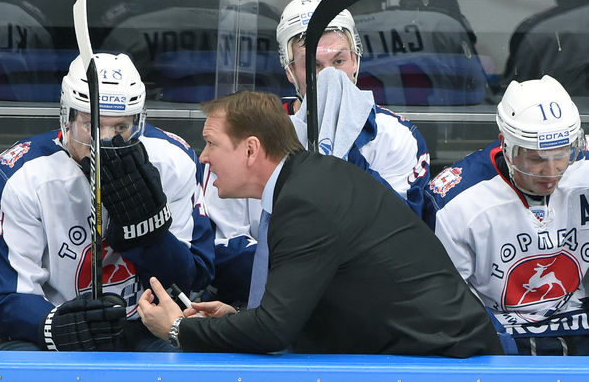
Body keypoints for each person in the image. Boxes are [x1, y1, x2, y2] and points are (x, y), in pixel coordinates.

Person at [138, 90, 503, 356]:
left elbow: (272, 331)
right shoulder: (305, 182)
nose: (203, 158)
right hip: (427, 354)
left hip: (449, 362)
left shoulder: (303, 203)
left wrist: (180, 329)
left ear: (250, 150)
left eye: (211, 144)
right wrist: (234, 319)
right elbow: (292, 311)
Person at [0, 52, 215, 352]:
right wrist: (54, 326)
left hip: (147, 327)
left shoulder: (173, 161)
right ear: (67, 117)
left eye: (121, 127)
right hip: (54, 330)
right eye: (92, 126)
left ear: (137, 121)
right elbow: (0, 298)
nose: (105, 142)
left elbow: (193, 280)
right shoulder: (16, 177)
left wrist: (150, 235)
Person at [200, 0, 431, 305]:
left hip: (369, 311)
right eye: (313, 65)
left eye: (339, 61)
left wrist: (347, 145)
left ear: (356, 61)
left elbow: (400, 242)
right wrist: (307, 272)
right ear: (290, 71)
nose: (330, 78)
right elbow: (225, 250)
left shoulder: (398, 137)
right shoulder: (247, 132)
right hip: (269, 307)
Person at [427, 75, 589, 355]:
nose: (551, 173)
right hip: (497, 336)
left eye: (561, 155)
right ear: (507, 147)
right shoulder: (457, 202)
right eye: (536, 159)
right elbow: (447, 301)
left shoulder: (583, 170)